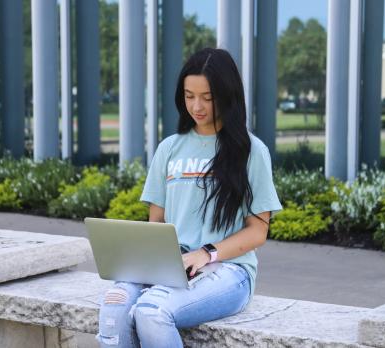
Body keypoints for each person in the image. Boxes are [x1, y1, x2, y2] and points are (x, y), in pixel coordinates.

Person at [96, 47, 282, 348]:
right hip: (172, 264)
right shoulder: (169, 148)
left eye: (208, 97)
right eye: (189, 95)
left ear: (227, 95)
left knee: (151, 312)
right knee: (114, 307)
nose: (197, 106)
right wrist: (148, 261)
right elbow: (156, 222)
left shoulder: (251, 151)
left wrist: (206, 253)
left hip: (229, 270)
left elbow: (258, 231)